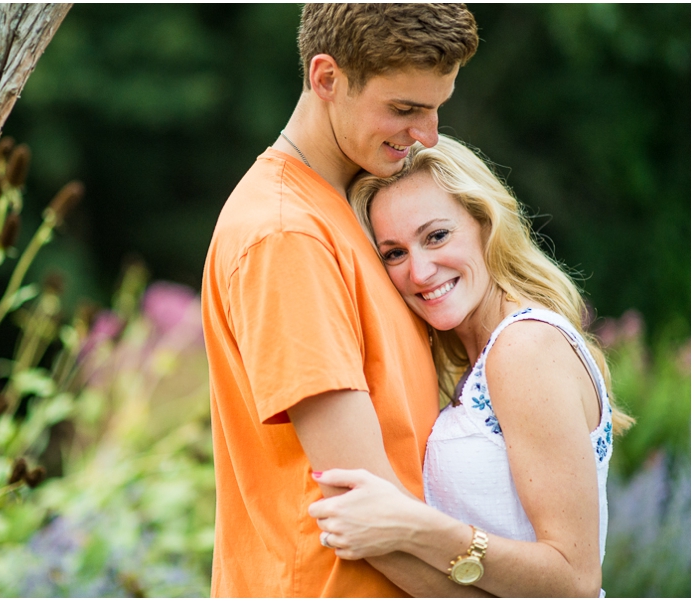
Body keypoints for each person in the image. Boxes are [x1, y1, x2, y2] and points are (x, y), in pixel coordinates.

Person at [201, 4, 479, 597]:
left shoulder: (352, 209)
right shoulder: (286, 235)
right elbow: (361, 500)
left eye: (435, 109)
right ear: (326, 79)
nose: (427, 136)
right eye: (405, 109)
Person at [308, 134, 634, 597]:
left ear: (485, 223)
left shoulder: (526, 346)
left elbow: (574, 582)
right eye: (395, 253)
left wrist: (413, 527)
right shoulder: (483, 359)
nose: (419, 272)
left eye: (436, 236)